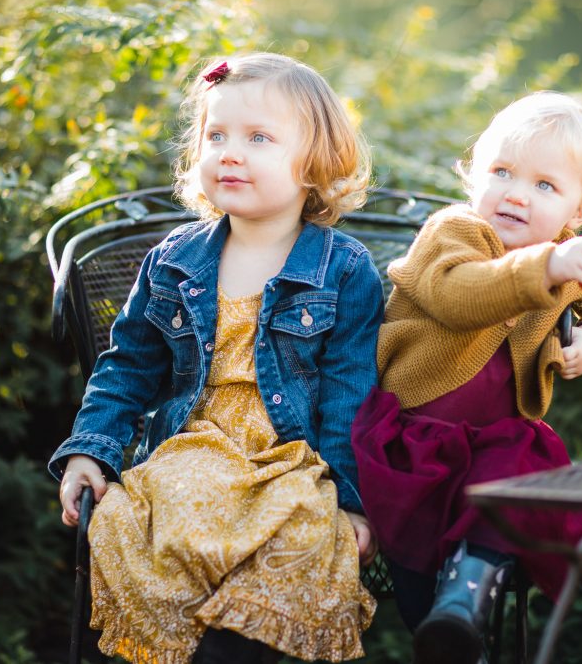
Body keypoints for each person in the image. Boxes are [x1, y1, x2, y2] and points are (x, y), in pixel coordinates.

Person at [49, 53, 383, 664]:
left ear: (315, 162)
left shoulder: (344, 268)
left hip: (290, 462)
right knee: (132, 524)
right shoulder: (175, 259)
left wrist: (353, 502)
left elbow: (349, 396)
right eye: (216, 135)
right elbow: (127, 366)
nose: (230, 152)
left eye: (259, 138)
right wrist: (88, 448)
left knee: (307, 536)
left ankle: (234, 648)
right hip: (191, 453)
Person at [351, 91, 582, 664]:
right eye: (502, 172)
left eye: (545, 186)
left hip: (494, 442)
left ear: (579, 212)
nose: (516, 193)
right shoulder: (456, 232)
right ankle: (445, 629)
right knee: (422, 578)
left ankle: (466, 597)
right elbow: (458, 295)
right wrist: (546, 270)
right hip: (414, 435)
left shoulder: (569, 254)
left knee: (524, 464)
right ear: (475, 177)